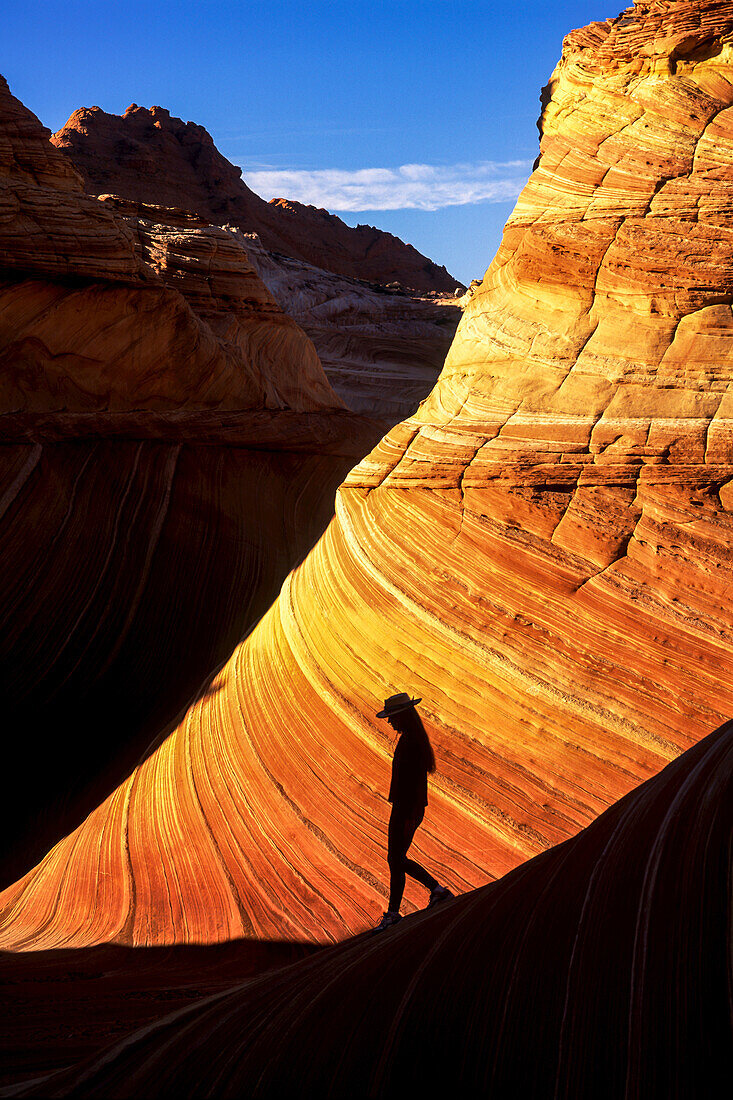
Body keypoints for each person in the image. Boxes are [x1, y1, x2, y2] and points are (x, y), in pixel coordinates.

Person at [374, 692, 453, 932]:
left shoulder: (410, 742)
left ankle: (399, 910)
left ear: (403, 716)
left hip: (406, 808)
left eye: (392, 717)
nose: (390, 722)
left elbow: (411, 782)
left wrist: (407, 813)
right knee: (396, 859)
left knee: (395, 859)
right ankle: (430, 894)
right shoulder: (413, 738)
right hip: (408, 807)